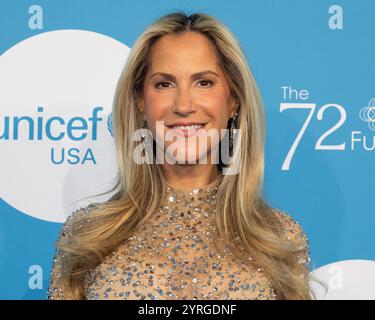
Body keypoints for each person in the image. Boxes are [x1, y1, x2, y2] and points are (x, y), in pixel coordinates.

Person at [47, 11, 314, 300]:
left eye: (204, 82)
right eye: (164, 84)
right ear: (140, 101)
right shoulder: (88, 235)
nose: (184, 105)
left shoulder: (279, 238)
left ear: (234, 100)